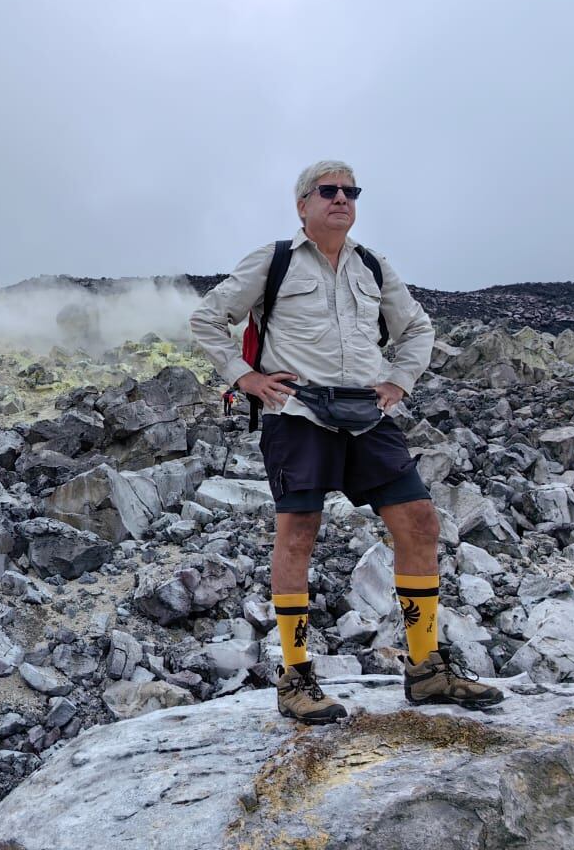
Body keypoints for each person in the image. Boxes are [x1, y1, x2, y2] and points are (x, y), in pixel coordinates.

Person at [188, 159, 502, 724]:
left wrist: (398, 382)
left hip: (368, 413)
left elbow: (418, 328)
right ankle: (296, 678)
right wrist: (246, 378)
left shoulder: (373, 266)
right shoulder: (274, 260)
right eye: (328, 191)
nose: (342, 200)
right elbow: (209, 318)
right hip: (300, 411)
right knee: (298, 534)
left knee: (420, 521)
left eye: (350, 192)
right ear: (302, 204)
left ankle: (426, 669)